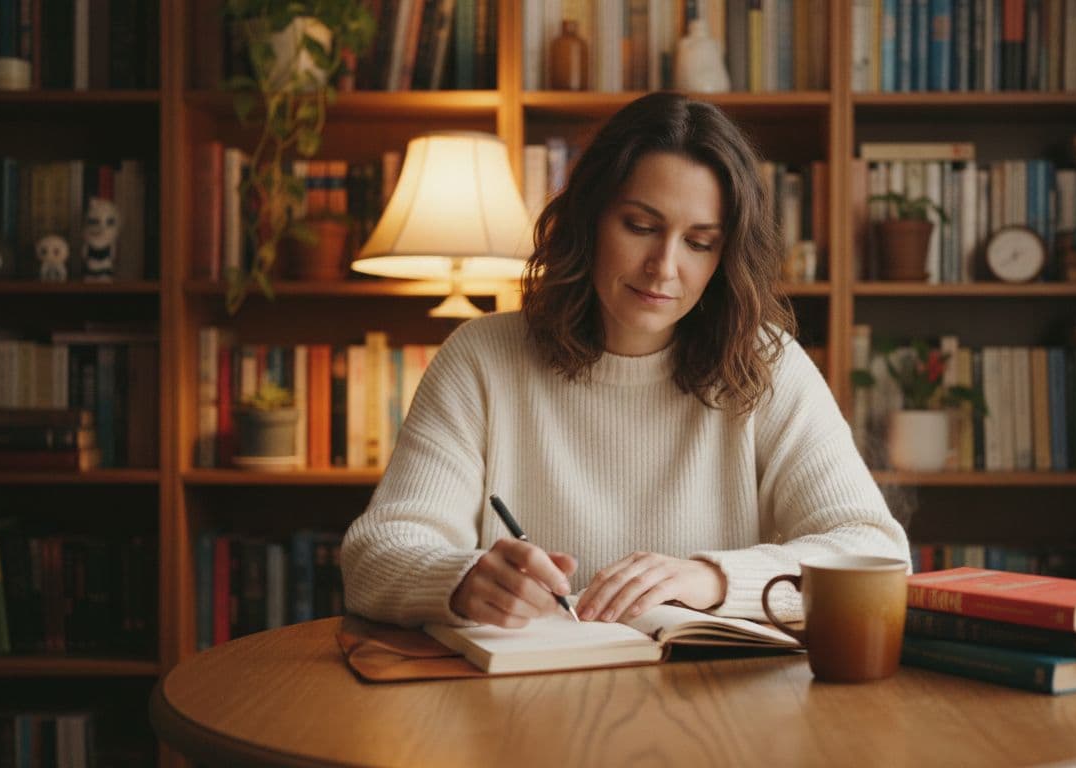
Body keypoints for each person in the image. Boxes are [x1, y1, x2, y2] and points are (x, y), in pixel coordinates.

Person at [341, 91, 909, 629]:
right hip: (521, 704)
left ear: (725, 256)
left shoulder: (766, 363)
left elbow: (876, 551)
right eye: (640, 227)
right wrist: (461, 579)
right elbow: (375, 553)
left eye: (699, 242)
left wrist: (711, 577)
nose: (664, 267)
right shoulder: (483, 357)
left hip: (717, 709)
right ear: (589, 221)